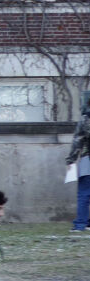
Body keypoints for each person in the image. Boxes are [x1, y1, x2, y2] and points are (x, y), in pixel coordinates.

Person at [69, 97, 90, 232]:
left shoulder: (85, 120)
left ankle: (80, 224)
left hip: (87, 159)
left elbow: (78, 141)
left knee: (84, 194)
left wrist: (71, 160)